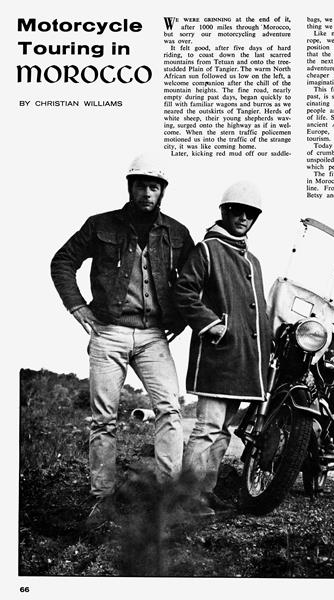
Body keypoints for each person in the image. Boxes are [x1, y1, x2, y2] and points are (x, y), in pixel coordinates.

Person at [50, 154, 194, 527]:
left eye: (155, 186)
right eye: (141, 185)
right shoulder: (101, 224)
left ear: (163, 191)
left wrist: (179, 318)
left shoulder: (177, 233)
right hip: (108, 331)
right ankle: (102, 501)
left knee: (170, 411)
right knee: (103, 419)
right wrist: (78, 308)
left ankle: (169, 500)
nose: (148, 192)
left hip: (153, 337)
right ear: (129, 187)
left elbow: (194, 281)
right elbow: (62, 261)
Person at [174, 181, 272, 515]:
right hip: (217, 356)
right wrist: (212, 324)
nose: (244, 217)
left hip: (244, 361)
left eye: (250, 213)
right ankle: (186, 497)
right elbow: (184, 292)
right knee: (207, 428)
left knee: (225, 429)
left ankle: (205, 491)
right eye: (237, 211)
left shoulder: (253, 261)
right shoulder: (207, 249)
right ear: (225, 212)